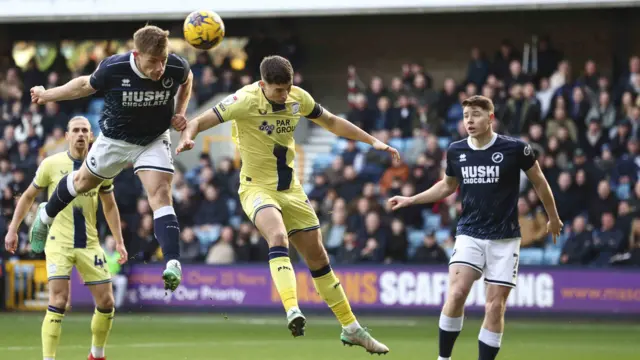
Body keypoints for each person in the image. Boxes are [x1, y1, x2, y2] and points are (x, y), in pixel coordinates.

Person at [177, 55, 395, 354]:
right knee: (277, 237)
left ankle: (351, 328)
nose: (284, 94)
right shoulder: (244, 100)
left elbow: (331, 122)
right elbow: (200, 120)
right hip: (256, 188)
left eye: (288, 87)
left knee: (318, 258)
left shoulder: (298, 98)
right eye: (278, 89)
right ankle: (292, 310)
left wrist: (373, 141)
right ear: (263, 84)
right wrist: (188, 137)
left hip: (291, 190)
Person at [389, 95, 562, 360]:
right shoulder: (456, 150)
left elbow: (540, 182)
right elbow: (447, 186)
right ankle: (443, 358)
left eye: (476, 114)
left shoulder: (515, 149)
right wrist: (411, 199)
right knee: (457, 293)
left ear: (490, 118)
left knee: (494, 308)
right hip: (469, 232)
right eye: (466, 115)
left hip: (504, 239)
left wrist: (553, 217)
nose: (469, 120)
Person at [28, 25, 193, 291]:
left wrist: (181, 111)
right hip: (115, 140)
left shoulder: (175, 66)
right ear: (137, 54)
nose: (160, 68)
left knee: (161, 193)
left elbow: (188, 79)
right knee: (81, 183)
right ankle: (45, 216)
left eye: (163, 61)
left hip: (153, 139)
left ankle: (173, 262)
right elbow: (83, 85)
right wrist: (47, 95)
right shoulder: (114, 68)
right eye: (153, 62)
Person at [4, 116, 128, 360]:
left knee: (107, 302)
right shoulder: (51, 164)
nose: (81, 135)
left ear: (91, 136)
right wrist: (12, 229)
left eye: (85, 130)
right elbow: (28, 196)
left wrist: (119, 241)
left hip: (89, 243)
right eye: (76, 131)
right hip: (58, 243)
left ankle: (96, 354)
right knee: (59, 301)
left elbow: (110, 206)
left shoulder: (101, 166)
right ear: (67, 135)